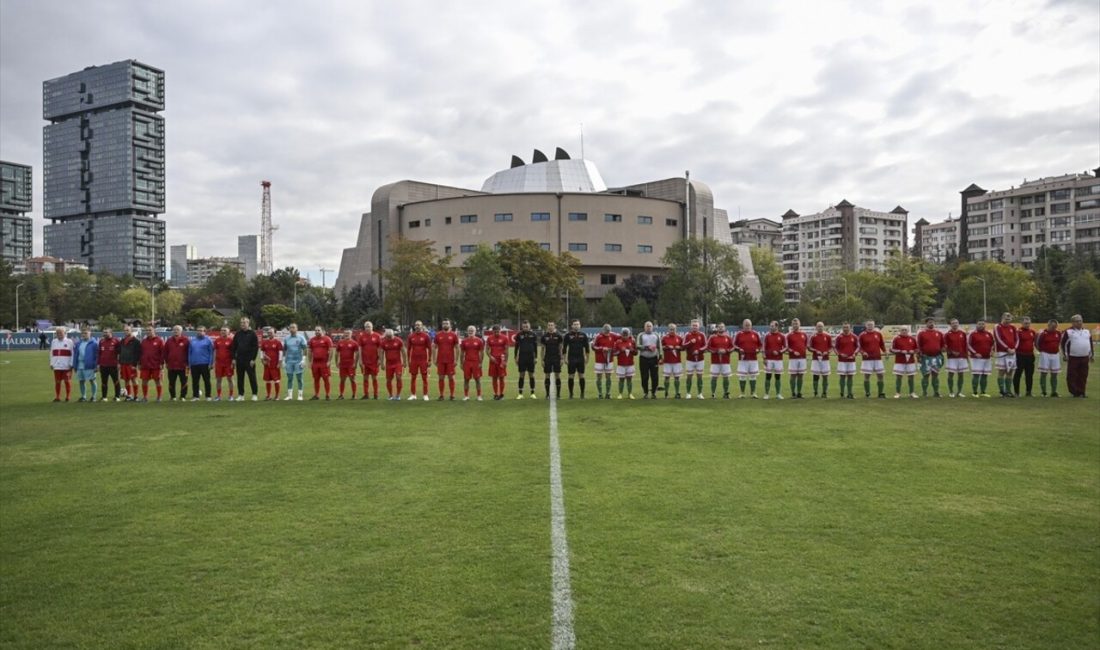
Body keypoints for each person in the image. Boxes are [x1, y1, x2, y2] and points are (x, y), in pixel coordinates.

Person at [1062, 314, 1094, 398]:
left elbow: (1090, 343)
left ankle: (1082, 391)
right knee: (1072, 375)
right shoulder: (1068, 332)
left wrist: (1091, 355)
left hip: (1085, 357)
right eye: (1077, 321)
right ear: (1072, 323)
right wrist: (1065, 355)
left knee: (1083, 375)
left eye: (1080, 320)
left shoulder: (1087, 331)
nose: (1079, 322)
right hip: (1073, 357)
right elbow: (1064, 344)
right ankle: (1074, 392)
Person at [230, 318, 259, 401]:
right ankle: (241, 395)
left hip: (249, 360)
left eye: (244, 323)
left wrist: (253, 359)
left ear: (248, 323)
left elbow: (255, 347)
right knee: (240, 377)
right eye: (241, 323)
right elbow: (234, 347)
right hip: (239, 359)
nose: (242, 324)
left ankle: (254, 394)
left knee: (252, 377)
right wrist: (234, 358)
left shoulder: (252, 334)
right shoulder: (238, 334)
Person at [916, 317, 945, 398]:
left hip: (937, 357)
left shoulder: (939, 333)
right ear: (926, 324)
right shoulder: (921, 333)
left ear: (934, 323)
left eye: (932, 322)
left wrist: (942, 348)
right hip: (926, 357)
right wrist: (919, 355)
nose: (931, 324)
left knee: (935, 374)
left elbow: (943, 344)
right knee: (926, 375)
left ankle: (936, 392)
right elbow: (918, 345)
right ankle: (924, 392)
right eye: (929, 322)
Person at [733, 319, 761, 399]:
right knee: (742, 376)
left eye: (749, 325)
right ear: (743, 325)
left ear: (751, 325)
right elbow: (734, 345)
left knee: (753, 376)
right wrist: (739, 349)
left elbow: (760, 345)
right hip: (742, 359)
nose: (747, 326)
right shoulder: (739, 334)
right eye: (746, 325)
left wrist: (758, 350)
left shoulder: (755, 334)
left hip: (753, 359)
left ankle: (753, 393)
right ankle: (742, 393)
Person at [706, 322, 734, 399]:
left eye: (722, 327)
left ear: (725, 328)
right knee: (714, 377)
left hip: (726, 361)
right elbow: (708, 347)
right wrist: (717, 350)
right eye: (719, 327)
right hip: (715, 361)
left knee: (726, 377)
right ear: (717, 328)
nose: (721, 328)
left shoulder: (728, 337)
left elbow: (732, 347)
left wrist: (726, 350)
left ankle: (726, 393)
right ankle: (713, 394)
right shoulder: (712, 337)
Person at [858, 320, 887, 399]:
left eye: (872, 325)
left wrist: (885, 351)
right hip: (867, 359)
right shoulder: (862, 335)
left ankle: (880, 393)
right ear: (866, 326)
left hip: (877, 358)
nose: (870, 326)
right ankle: (867, 393)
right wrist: (863, 352)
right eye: (869, 325)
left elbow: (882, 344)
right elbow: (859, 347)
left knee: (880, 375)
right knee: (867, 376)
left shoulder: (878, 334)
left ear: (874, 325)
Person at [967, 320, 994, 397]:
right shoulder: (972, 334)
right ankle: (975, 392)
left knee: (985, 375)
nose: (981, 325)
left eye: (983, 324)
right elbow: (968, 345)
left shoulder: (989, 334)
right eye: (979, 324)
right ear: (976, 325)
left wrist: (992, 351)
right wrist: (975, 353)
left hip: (987, 358)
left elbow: (992, 344)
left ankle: (983, 392)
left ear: (985, 325)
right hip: (976, 359)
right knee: (976, 375)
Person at [993, 312, 1018, 398]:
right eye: (1006, 319)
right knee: (1002, 371)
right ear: (1002, 318)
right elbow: (998, 339)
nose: (1007, 321)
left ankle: (1008, 391)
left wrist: (1014, 348)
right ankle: (1002, 391)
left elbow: (1017, 339)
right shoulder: (997, 327)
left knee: (1010, 372)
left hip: (1012, 352)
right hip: (1003, 352)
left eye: (1009, 319)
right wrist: (1007, 348)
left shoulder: (1013, 328)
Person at [433, 319, 459, 400]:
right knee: (441, 378)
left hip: (450, 360)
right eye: (444, 323)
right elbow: (434, 347)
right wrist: (434, 359)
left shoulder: (454, 335)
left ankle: (452, 395)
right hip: (440, 360)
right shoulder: (438, 335)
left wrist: (456, 360)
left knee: (451, 377)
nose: (445, 325)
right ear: (442, 325)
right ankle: (441, 395)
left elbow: (457, 348)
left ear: (449, 325)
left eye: (447, 323)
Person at [890, 325, 919, 399]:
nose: (904, 331)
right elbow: (891, 349)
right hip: (899, 361)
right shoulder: (896, 339)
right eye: (902, 330)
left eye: (905, 330)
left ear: (908, 331)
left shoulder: (912, 339)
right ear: (900, 331)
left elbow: (917, 349)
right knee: (899, 377)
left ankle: (912, 393)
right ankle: (897, 393)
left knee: (911, 377)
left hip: (911, 361)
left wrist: (914, 351)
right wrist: (900, 351)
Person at [563, 320, 590, 399]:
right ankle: (571, 394)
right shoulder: (568, 335)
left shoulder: (583, 335)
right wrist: (564, 358)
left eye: (578, 324)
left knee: (581, 375)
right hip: (571, 358)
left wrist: (587, 358)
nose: (576, 326)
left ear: (580, 325)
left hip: (580, 358)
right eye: (575, 324)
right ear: (572, 326)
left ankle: (582, 394)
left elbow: (587, 348)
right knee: (571, 375)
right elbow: (564, 347)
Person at [356, 321, 382, 400]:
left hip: (374, 361)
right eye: (366, 327)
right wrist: (360, 360)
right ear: (364, 328)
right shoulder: (361, 336)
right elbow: (359, 349)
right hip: (365, 361)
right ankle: (366, 394)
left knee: (374, 378)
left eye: (369, 326)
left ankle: (376, 394)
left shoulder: (377, 336)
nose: (367, 328)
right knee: (365, 378)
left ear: (372, 327)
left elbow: (380, 348)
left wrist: (380, 359)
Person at [1036, 319, 1062, 397]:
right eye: (1052, 326)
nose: (1054, 328)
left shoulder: (1058, 333)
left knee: (1054, 373)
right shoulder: (1043, 333)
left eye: (1055, 326)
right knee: (1044, 373)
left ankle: (1054, 392)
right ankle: (1043, 392)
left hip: (1055, 355)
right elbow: (1037, 343)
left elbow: (1059, 342)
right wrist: (1042, 351)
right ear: (1048, 325)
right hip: (1045, 354)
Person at [682, 319, 708, 400]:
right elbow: (683, 346)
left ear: (699, 326)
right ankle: (688, 393)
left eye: (696, 326)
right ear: (691, 326)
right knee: (689, 376)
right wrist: (690, 342)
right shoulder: (687, 335)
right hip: (690, 359)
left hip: (700, 359)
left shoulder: (702, 335)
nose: (694, 327)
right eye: (693, 325)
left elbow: (706, 346)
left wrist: (699, 350)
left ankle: (700, 394)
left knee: (699, 376)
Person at [407, 321, 432, 401]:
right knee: (413, 377)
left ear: (422, 326)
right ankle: (413, 395)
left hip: (423, 360)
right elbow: (408, 349)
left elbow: (430, 348)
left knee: (424, 378)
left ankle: (425, 395)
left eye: (419, 325)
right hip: (414, 360)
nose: (417, 326)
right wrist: (408, 360)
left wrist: (429, 359)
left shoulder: (426, 336)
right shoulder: (411, 336)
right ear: (414, 326)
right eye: (416, 325)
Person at [139, 324, 165, 402]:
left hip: (156, 364)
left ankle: (159, 397)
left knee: (157, 381)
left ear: (154, 331)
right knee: (144, 381)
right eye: (147, 330)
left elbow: (162, 353)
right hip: (145, 364)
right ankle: (145, 397)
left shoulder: (159, 340)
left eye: (150, 330)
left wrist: (162, 363)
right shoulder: (143, 341)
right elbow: (141, 353)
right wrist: (140, 363)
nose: (148, 331)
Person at [514, 321, 539, 399]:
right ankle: (520, 393)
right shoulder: (519, 335)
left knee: (531, 375)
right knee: (521, 375)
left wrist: (536, 357)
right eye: (524, 326)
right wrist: (516, 357)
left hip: (531, 357)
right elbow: (516, 347)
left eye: (527, 326)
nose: (525, 328)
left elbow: (535, 347)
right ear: (522, 327)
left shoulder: (533, 335)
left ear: (529, 326)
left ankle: (532, 393)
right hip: (522, 357)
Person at [944, 319, 969, 398]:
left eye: (956, 323)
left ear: (958, 324)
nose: (955, 324)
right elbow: (945, 346)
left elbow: (965, 345)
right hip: (952, 358)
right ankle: (951, 392)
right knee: (951, 374)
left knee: (961, 375)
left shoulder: (962, 333)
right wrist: (951, 352)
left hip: (962, 357)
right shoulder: (947, 334)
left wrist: (966, 356)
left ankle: (959, 392)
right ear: (950, 325)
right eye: (953, 323)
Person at [283, 323, 308, 400]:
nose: (292, 329)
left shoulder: (301, 338)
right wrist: (284, 360)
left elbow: (305, 349)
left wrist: (303, 359)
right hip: (289, 361)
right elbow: (284, 349)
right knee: (289, 378)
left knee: (299, 378)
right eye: (290, 327)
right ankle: (289, 396)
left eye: (293, 327)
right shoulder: (286, 338)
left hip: (298, 361)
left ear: (297, 329)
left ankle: (300, 395)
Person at [164, 325, 190, 401]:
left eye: (177, 329)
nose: (176, 331)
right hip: (171, 365)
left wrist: (189, 363)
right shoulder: (169, 340)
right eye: (174, 329)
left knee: (184, 381)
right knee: (171, 382)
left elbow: (190, 352)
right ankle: (173, 396)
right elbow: (165, 352)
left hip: (185, 366)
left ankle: (183, 396)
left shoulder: (186, 340)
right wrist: (166, 362)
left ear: (181, 331)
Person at [592, 324, 618, 400]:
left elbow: (622, 337)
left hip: (609, 360)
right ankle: (600, 394)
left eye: (608, 332)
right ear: (603, 330)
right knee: (599, 376)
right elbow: (593, 346)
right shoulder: (598, 336)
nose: (607, 333)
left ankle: (608, 393)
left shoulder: (613, 335)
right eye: (606, 332)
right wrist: (602, 348)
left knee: (608, 376)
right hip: (599, 360)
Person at [308, 326, 334, 400]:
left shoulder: (327, 339)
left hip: (324, 362)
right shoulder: (312, 340)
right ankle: (316, 395)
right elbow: (309, 351)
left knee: (326, 379)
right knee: (316, 379)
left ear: (322, 331)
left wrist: (329, 361)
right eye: (316, 330)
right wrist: (310, 362)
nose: (317, 331)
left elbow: (331, 350)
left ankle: (327, 395)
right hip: (315, 363)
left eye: (318, 330)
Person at [188, 325, 214, 401]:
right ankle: (196, 396)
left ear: (204, 332)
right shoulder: (192, 341)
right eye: (198, 330)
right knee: (195, 381)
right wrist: (189, 363)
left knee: (206, 380)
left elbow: (211, 353)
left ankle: (208, 396)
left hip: (205, 364)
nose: (199, 332)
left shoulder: (208, 340)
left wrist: (211, 363)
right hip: (194, 364)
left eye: (201, 331)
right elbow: (189, 352)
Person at [49, 326, 74, 402]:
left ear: (65, 333)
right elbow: (51, 353)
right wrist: (51, 363)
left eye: (61, 332)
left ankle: (68, 396)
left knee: (67, 381)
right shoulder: (54, 341)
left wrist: (71, 363)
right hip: (57, 366)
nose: (59, 334)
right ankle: (57, 397)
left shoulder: (69, 342)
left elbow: (73, 353)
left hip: (67, 366)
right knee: (57, 382)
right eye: (57, 333)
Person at [1013, 317, 1036, 397]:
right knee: (1018, 374)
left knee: (1029, 374)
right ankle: (1016, 392)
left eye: (1029, 323)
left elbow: (1034, 342)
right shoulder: (1018, 332)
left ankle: (1028, 392)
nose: (1027, 325)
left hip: (1030, 355)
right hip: (1020, 355)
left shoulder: (1032, 332)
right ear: (1021, 323)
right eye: (1025, 323)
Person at [260, 326, 286, 400]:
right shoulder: (264, 342)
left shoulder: (278, 342)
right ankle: (268, 395)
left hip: (275, 364)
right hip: (267, 365)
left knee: (276, 380)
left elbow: (281, 353)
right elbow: (262, 352)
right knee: (267, 380)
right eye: (268, 333)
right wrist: (262, 360)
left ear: (274, 333)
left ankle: (277, 395)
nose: (269, 334)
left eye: (271, 332)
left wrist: (279, 362)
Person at [486, 325, 511, 400]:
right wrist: (491, 357)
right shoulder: (489, 338)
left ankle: (501, 394)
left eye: (498, 331)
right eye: (495, 331)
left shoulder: (505, 338)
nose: (497, 333)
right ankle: (495, 394)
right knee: (494, 378)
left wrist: (505, 361)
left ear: (500, 330)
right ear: (493, 331)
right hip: (493, 361)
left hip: (501, 360)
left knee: (502, 378)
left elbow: (507, 351)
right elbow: (487, 350)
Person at [380, 328, 407, 400]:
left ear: (393, 335)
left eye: (390, 336)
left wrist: (404, 361)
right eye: (387, 336)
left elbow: (403, 351)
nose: (389, 338)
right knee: (388, 380)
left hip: (397, 363)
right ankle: (390, 395)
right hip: (388, 364)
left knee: (398, 378)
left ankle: (398, 395)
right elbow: (381, 353)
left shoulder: (398, 341)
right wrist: (382, 363)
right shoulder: (384, 342)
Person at [460, 325, 485, 401]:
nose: (470, 332)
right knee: (466, 379)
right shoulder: (464, 341)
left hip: (476, 362)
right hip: (467, 362)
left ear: (475, 331)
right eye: (469, 330)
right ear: (467, 331)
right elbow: (462, 353)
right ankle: (466, 396)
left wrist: (481, 362)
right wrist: (461, 363)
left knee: (477, 379)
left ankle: (479, 396)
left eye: (472, 330)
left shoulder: (479, 341)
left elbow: (481, 353)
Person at [74, 327, 99, 402]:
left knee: (92, 380)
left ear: (90, 333)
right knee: (81, 381)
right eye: (83, 333)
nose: (84, 335)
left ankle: (93, 396)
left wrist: (96, 365)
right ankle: (83, 396)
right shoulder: (78, 343)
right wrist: (75, 365)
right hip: (80, 365)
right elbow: (75, 354)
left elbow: (97, 355)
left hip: (89, 365)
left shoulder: (94, 343)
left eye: (86, 333)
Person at [762, 321, 786, 400]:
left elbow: (786, 347)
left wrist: (779, 352)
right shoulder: (767, 336)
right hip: (769, 359)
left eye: (772, 326)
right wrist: (764, 358)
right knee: (768, 376)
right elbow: (763, 348)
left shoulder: (782, 336)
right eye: (770, 326)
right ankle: (766, 394)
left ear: (777, 327)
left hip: (778, 360)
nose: (771, 327)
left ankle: (778, 394)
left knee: (777, 377)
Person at [834, 322, 858, 399]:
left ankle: (850, 393)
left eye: (847, 327)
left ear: (850, 328)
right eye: (844, 327)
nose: (846, 329)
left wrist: (854, 354)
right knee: (842, 376)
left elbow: (858, 347)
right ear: (842, 328)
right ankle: (842, 393)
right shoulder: (839, 337)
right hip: (842, 360)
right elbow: (835, 348)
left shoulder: (854, 337)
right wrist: (840, 354)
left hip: (851, 360)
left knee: (850, 376)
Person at [636, 321, 660, 399]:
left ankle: (654, 392)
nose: (648, 327)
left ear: (652, 327)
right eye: (647, 326)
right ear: (644, 327)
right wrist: (647, 347)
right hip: (644, 358)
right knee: (644, 376)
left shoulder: (656, 335)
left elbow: (659, 346)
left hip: (654, 358)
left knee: (655, 376)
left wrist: (661, 356)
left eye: (650, 326)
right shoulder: (641, 335)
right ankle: (645, 392)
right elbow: (637, 345)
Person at [540, 321, 564, 399]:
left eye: (552, 325)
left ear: (554, 326)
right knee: (547, 375)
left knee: (557, 375)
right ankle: (547, 394)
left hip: (556, 358)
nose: (550, 326)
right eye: (549, 325)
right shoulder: (544, 336)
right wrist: (542, 360)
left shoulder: (559, 336)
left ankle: (558, 395)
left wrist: (562, 358)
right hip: (547, 358)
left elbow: (561, 348)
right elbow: (542, 349)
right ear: (547, 326)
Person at [660, 323, 684, 399]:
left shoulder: (679, 338)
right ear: (668, 329)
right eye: (671, 329)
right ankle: (666, 393)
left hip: (677, 361)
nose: (672, 330)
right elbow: (661, 348)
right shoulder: (664, 338)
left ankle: (677, 393)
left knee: (677, 377)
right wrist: (667, 346)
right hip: (667, 361)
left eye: (673, 329)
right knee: (667, 377)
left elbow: (683, 348)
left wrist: (679, 347)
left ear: (676, 329)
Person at [786, 319, 809, 398]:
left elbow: (805, 345)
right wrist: (793, 351)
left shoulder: (804, 335)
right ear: (792, 325)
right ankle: (793, 393)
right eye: (794, 324)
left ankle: (799, 393)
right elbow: (786, 347)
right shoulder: (789, 335)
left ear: (800, 324)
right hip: (793, 359)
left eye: (796, 324)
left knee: (800, 375)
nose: (795, 325)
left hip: (802, 358)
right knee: (793, 375)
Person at [118, 325, 142, 401]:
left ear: (131, 331)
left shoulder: (136, 341)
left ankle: (136, 396)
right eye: (125, 330)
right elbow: (120, 352)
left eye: (127, 330)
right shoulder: (122, 341)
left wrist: (135, 364)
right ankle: (129, 395)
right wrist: (119, 362)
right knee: (126, 380)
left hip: (131, 364)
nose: (126, 332)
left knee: (134, 380)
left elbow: (138, 354)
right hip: (123, 363)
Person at [98, 327, 122, 402]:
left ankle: (117, 396)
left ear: (111, 333)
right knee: (104, 381)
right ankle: (104, 397)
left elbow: (120, 353)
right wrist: (98, 364)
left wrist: (118, 363)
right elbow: (99, 353)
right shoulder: (101, 341)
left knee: (116, 381)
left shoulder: (116, 341)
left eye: (106, 332)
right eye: (104, 332)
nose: (105, 334)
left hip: (113, 365)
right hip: (103, 365)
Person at [213, 326, 236, 401]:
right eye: (222, 330)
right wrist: (213, 362)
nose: (223, 332)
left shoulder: (231, 340)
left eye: (225, 330)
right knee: (218, 380)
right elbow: (214, 351)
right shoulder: (217, 340)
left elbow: (234, 352)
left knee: (230, 379)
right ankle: (219, 396)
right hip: (219, 363)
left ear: (228, 332)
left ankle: (231, 395)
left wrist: (233, 361)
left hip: (228, 363)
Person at [809, 322, 832, 398]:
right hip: (816, 359)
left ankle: (824, 393)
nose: (820, 328)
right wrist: (816, 350)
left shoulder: (828, 336)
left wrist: (827, 351)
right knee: (816, 376)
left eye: (821, 326)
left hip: (825, 359)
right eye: (818, 326)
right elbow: (809, 347)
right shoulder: (813, 336)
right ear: (816, 327)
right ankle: (815, 393)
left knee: (825, 376)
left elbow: (831, 347)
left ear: (823, 327)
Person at [334, 331, 359, 399]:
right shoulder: (340, 342)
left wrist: (355, 363)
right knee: (342, 380)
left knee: (352, 380)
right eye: (345, 333)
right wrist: (336, 362)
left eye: (348, 333)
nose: (346, 334)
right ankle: (341, 395)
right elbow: (336, 353)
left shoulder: (354, 343)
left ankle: (354, 395)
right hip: (342, 364)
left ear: (351, 334)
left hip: (350, 364)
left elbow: (357, 354)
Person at [614, 327, 637, 399]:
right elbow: (614, 353)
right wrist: (620, 350)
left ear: (628, 334)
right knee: (621, 379)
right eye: (623, 335)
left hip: (630, 364)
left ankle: (630, 394)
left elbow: (636, 353)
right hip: (621, 364)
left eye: (626, 335)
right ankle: (620, 394)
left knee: (629, 379)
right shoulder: (618, 342)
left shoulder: (632, 341)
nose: (625, 336)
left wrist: (632, 349)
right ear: (621, 334)